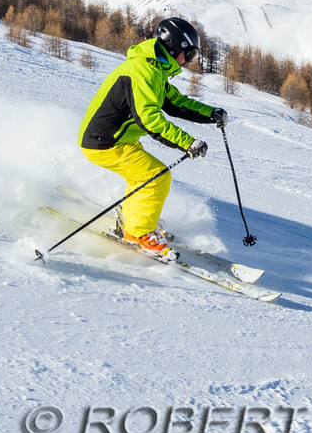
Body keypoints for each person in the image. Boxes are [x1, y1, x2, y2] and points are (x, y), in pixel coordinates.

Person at [78, 17, 224, 259]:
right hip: (104, 143)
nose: (189, 61)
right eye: (190, 55)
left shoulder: (154, 70)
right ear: (176, 46)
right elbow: (149, 119)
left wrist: (211, 114)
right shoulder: (142, 71)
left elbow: (175, 102)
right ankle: (137, 233)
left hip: (119, 140)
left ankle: (134, 217)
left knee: (144, 176)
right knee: (155, 177)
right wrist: (187, 143)